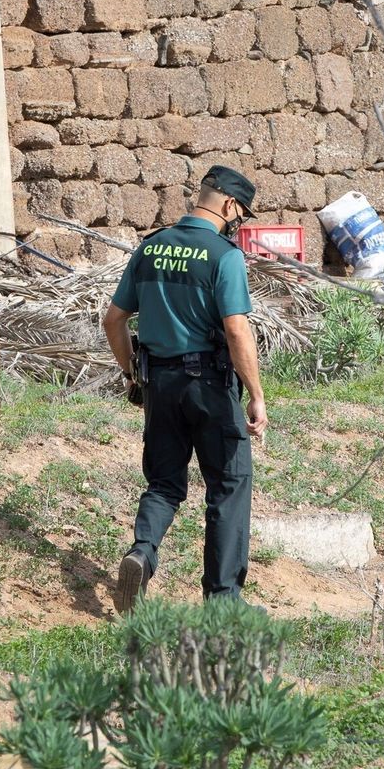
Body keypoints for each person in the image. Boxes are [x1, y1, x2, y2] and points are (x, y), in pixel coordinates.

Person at [102, 165, 269, 614]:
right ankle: (222, 601)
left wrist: (135, 375)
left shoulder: (151, 248)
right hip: (210, 387)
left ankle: (142, 552)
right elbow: (236, 329)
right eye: (242, 214)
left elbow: (114, 320)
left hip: (161, 384)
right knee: (229, 484)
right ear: (231, 206)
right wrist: (255, 393)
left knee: (164, 483)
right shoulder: (224, 255)